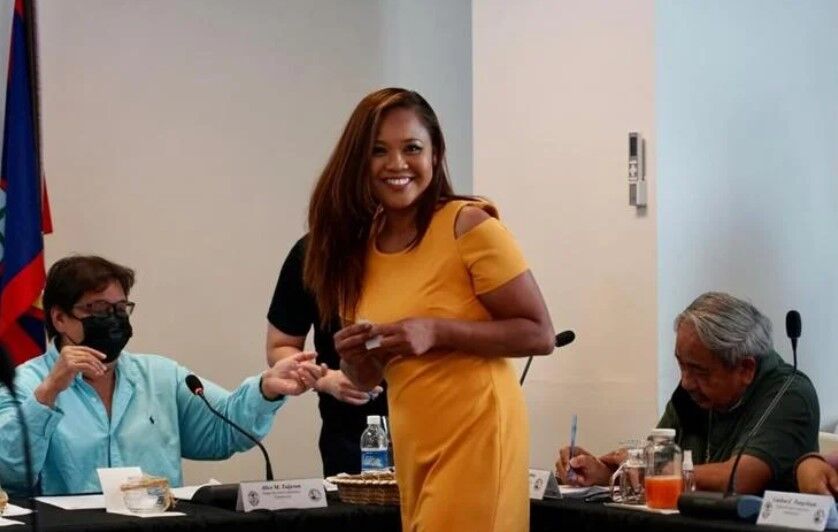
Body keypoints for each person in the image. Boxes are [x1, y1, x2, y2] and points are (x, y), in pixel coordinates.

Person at [305, 87, 555, 531]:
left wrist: (439, 331)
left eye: (412, 148)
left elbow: (539, 334)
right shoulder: (357, 249)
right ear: (358, 162)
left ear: (436, 153)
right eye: (379, 151)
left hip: (478, 432)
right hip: (414, 442)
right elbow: (366, 379)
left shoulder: (469, 225)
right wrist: (356, 357)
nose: (397, 164)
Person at [0, 255, 324, 495]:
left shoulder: (160, 376)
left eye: (120, 308)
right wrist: (50, 392)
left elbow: (224, 430)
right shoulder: (25, 385)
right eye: (99, 310)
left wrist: (265, 389)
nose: (113, 319)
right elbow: (9, 471)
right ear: (59, 318)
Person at [556, 292, 819, 494]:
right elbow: (654, 460)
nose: (686, 382)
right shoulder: (692, 393)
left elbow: (738, 478)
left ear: (746, 368)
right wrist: (601, 472)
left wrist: (650, 467)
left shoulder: (790, 394)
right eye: (681, 365)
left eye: (698, 371)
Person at [266, 235, 387, 476]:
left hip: (432, 424)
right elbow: (280, 347)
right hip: (352, 434)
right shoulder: (314, 252)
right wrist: (325, 379)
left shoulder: (433, 244)